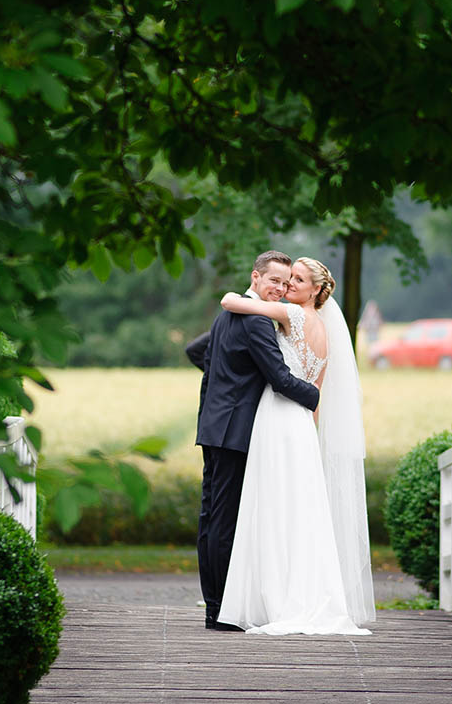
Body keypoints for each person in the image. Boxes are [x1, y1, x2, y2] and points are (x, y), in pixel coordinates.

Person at [215, 257, 372, 635]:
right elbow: (315, 391)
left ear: (316, 290)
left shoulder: (290, 314)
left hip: (279, 416)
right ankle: (298, 592)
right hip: (300, 424)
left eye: (297, 280)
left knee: (273, 506)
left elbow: (231, 302)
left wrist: (239, 293)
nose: (288, 286)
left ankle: (276, 596)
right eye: (287, 280)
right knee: (299, 510)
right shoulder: (325, 329)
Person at [194, 251, 321, 632]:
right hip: (235, 431)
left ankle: (215, 606)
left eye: (286, 283)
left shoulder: (227, 315)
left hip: (215, 427)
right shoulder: (256, 320)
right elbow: (280, 378)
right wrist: (315, 398)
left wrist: (224, 386)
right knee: (225, 522)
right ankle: (219, 610)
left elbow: (199, 355)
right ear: (256, 276)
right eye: (275, 281)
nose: (280, 289)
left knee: (210, 519)